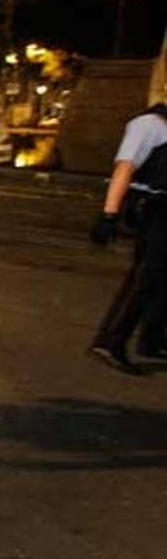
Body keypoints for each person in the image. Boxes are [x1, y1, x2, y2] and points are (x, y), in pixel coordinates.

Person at [87, 102, 167, 375]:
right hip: (153, 208)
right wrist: (109, 215)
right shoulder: (150, 125)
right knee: (147, 276)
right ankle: (110, 341)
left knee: (161, 277)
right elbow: (125, 168)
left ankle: (152, 340)